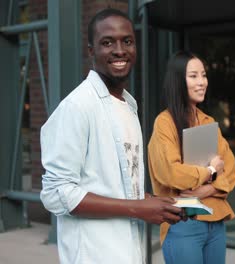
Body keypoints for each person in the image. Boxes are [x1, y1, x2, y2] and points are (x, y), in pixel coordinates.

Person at [40, 8, 183, 264]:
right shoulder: (77, 107)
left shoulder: (129, 105)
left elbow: (115, 185)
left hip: (131, 252)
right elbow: (57, 193)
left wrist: (148, 201)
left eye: (127, 41)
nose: (119, 50)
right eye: (107, 43)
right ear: (91, 50)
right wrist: (138, 208)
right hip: (95, 255)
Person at [148, 50, 235, 264]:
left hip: (215, 222)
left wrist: (204, 188)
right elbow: (171, 173)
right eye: (193, 76)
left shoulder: (208, 122)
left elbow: (232, 171)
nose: (202, 82)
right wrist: (210, 171)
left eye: (204, 75)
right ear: (178, 81)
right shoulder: (164, 123)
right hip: (183, 223)